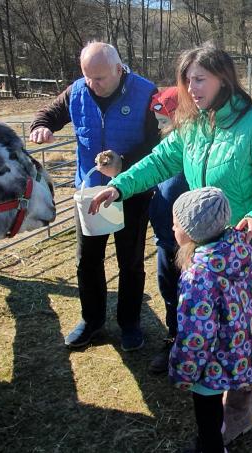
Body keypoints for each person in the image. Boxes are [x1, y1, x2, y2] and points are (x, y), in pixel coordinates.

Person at [88, 42, 252, 444]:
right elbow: (157, 162)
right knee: (218, 322)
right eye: (188, 81)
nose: (193, 87)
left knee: (242, 322)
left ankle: (238, 407)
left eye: (200, 79)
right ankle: (218, 386)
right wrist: (117, 187)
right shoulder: (192, 126)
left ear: (224, 77)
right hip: (206, 249)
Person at [29, 41, 159, 351]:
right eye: (87, 76)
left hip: (131, 191)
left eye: (99, 78)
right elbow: (50, 113)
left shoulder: (145, 93)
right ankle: (92, 321)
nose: (92, 84)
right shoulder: (76, 92)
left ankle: (130, 324)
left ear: (118, 69)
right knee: (87, 260)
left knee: (130, 262)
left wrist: (124, 164)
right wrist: (41, 126)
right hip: (89, 193)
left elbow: (159, 144)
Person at [94, 87, 190, 374]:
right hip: (165, 239)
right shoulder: (164, 150)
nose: (161, 127)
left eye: (166, 120)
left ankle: (201, 346)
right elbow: (148, 171)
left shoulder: (193, 151)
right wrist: (118, 175)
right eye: (158, 121)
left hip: (193, 242)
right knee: (170, 290)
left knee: (195, 293)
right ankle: (174, 340)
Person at [168, 187, 252, 453]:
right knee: (214, 410)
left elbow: (195, 336)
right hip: (237, 350)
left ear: (193, 230)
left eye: (176, 223)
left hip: (210, 366)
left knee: (207, 417)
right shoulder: (238, 250)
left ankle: (211, 446)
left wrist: (184, 371)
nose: (172, 228)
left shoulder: (199, 277)